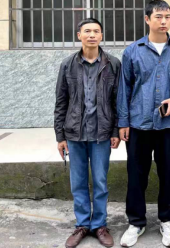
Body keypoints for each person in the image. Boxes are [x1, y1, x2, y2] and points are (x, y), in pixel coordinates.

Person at [117, 0, 170, 247]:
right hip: (138, 124)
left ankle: (167, 220)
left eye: (167, 17)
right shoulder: (132, 51)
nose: (164, 21)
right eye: (159, 16)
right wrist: (123, 122)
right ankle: (136, 222)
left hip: (168, 126)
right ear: (147, 19)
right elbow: (124, 88)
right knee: (136, 175)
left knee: (169, 174)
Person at [54, 18, 121, 248]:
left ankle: (99, 225)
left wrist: (115, 130)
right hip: (74, 133)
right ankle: (82, 224)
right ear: (79, 35)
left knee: (100, 181)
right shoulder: (67, 65)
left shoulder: (113, 64)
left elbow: (117, 101)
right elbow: (61, 102)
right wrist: (60, 136)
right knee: (78, 182)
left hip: (102, 133)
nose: (92, 35)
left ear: (101, 35)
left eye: (96, 31)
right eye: (87, 31)